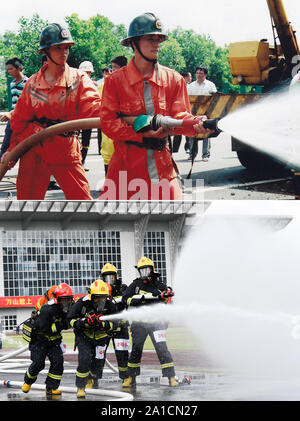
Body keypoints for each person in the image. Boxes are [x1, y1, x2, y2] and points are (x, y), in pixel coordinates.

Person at [98, 12, 212, 200]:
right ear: (134, 43)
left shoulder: (173, 79)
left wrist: (195, 124)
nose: (156, 43)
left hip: (162, 166)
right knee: (112, 224)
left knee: (176, 220)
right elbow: (108, 123)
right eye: (150, 38)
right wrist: (141, 135)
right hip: (125, 168)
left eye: (159, 39)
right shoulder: (115, 81)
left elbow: (180, 115)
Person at [1, 23, 101, 200]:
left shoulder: (78, 79)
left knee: (83, 203)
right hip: (33, 147)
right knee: (27, 206)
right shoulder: (32, 84)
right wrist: (11, 152)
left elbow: (95, 108)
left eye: (66, 47)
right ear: (46, 51)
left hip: (64, 147)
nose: (64, 52)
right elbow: (19, 121)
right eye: (58, 48)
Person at [121, 256, 178, 388]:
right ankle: (131, 377)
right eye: (142, 270)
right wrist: (137, 300)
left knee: (162, 349)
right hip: (139, 324)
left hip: (156, 324)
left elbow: (168, 302)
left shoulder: (159, 285)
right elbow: (125, 299)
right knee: (136, 350)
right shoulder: (135, 285)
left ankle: (171, 377)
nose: (144, 273)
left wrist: (163, 297)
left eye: (146, 270)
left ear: (152, 270)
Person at [67, 279, 123, 398]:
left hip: (101, 338)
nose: (101, 300)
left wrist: (103, 325)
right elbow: (70, 320)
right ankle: (81, 387)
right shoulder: (82, 303)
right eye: (98, 297)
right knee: (84, 359)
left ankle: (93, 377)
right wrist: (85, 322)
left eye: (103, 297)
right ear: (92, 296)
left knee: (99, 363)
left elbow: (115, 324)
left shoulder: (110, 305)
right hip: (84, 337)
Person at [21, 283, 74, 396]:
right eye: (64, 300)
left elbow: (69, 321)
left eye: (69, 300)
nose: (67, 303)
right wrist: (62, 325)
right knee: (39, 364)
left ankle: (51, 388)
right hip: (40, 341)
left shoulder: (68, 308)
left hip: (54, 341)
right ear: (57, 299)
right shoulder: (47, 309)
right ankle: (28, 381)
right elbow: (46, 329)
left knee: (58, 363)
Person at [101, 263, 129, 380]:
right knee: (99, 354)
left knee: (122, 354)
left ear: (116, 276)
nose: (109, 280)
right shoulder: (100, 289)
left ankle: (126, 378)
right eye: (106, 277)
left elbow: (127, 303)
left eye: (111, 277)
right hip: (105, 328)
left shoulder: (123, 289)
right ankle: (94, 378)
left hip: (121, 328)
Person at [100, 56, 128, 175]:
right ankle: (109, 183)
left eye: (115, 68)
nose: (112, 72)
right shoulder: (106, 85)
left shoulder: (132, 84)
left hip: (125, 129)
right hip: (109, 129)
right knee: (108, 154)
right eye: (112, 69)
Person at [187, 65, 217, 162]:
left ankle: (205, 155)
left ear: (205, 74)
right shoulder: (191, 86)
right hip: (194, 113)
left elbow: (214, 98)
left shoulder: (210, 85)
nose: (199, 75)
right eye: (197, 73)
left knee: (206, 133)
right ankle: (192, 154)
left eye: (201, 73)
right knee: (192, 133)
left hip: (206, 113)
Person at [0, 58, 28, 158]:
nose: (9, 72)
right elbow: (15, 103)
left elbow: (25, 104)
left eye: (11, 69)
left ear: (19, 68)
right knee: (5, 145)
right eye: (8, 70)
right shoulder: (12, 84)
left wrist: (11, 113)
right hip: (13, 119)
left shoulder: (27, 83)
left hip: (24, 120)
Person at [78, 60, 98, 171]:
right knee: (75, 140)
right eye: (85, 72)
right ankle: (77, 163)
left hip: (89, 117)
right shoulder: (75, 84)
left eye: (89, 72)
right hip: (77, 117)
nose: (87, 74)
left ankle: (82, 162)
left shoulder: (93, 85)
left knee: (86, 141)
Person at [172, 71, 192, 154]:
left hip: (188, 110)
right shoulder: (176, 85)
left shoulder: (191, 87)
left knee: (187, 130)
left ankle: (187, 147)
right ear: (185, 77)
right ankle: (175, 149)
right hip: (178, 111)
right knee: (177, 130)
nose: (191, 78)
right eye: (189, 76)